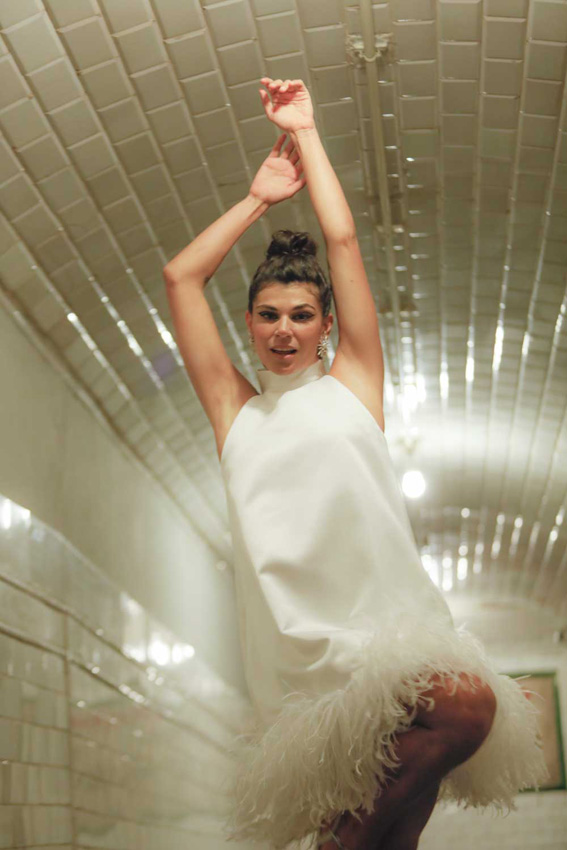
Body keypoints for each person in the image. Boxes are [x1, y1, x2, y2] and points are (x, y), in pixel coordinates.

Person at [163, 78, 548, 850]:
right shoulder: (234, 412)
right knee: (407, 816)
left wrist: (305, 134)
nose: (283, 330)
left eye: (301, 316)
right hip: (302, 659)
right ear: (249, 323)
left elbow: (341, 244)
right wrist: (255, 200)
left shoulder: (354, 383)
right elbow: (180, 277)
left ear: (325, 325)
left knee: (464, 712)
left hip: (386, 635)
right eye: (268, 316)